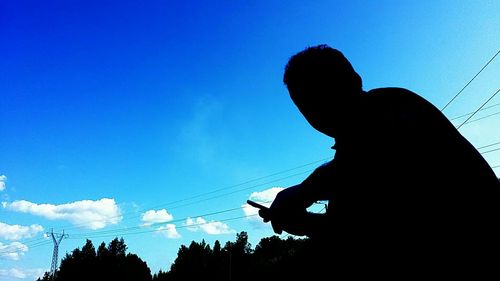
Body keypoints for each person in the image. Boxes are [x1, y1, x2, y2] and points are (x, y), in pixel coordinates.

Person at [258, 44, 500, 278]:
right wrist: (305, 212)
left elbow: (374, 227)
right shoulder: (360, 141)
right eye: (307, 104)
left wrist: (304, 202)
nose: (317, 111)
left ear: (354, 80)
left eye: (325, 93)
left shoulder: (390, 107)